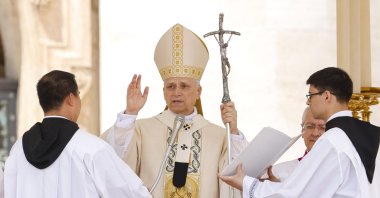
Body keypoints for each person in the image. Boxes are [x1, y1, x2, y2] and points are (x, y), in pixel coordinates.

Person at [102, 23, 248, 197]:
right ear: (164, 91)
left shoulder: (220, 136)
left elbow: (240, 175)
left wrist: (232, 130)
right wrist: (130, 113)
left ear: (198, 92)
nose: (176, 92)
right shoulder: (140, 130)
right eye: (170, 86)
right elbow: (112, 161)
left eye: (184, 86)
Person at [220, 67, 380, 197]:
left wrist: (246, 183)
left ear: (326, 96)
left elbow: (296, 194)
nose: (307, 101)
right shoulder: (369, 135)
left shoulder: (333, 139)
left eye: (311, 95)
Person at [4, 70, 152, 198]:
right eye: (78, 95)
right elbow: (126, 192)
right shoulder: (91, 148)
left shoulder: (18, 150)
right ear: (70, 99)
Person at [261, 107, 325, 182]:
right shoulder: (278, 172)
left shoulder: (339, 168)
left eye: (322, 128)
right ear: (302, 130)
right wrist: (275, 189)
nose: (315, 133)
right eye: (310, 126)